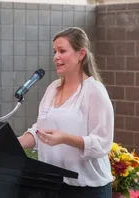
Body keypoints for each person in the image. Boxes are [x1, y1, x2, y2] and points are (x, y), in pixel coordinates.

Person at [18, 27, 114, 198]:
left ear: (81, 54)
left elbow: (102, 143)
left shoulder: (94, 91)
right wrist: (12, 144)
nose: (56, 57)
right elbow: (41, 130)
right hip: (53, 185)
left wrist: (64, 138)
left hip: (87, 189)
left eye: (62, 51)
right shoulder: (52, 88)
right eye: (55, 51)